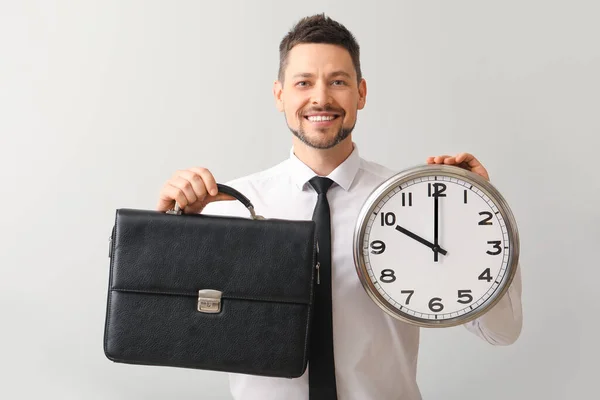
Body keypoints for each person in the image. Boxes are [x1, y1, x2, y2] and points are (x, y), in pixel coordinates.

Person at [156, 13, 523, 400]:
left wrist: (482, 217)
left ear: (361, 93)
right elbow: (170, 328)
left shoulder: (412, 202)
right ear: (280, 94)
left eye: (338, 82)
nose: (321, 98)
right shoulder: (228, 206)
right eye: (303, 83)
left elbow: (501, 331)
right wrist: (169, 229)